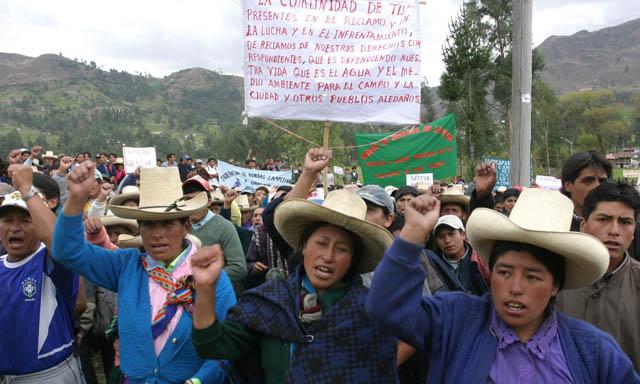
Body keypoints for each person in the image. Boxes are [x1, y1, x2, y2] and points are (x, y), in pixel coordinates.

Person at [367, 188, 639, 383]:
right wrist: (413, 233)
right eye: (505, 272)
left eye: (533, 277)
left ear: (555, 286)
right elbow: (386, 308)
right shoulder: (454, 318)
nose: (515, 287)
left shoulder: (594, 349)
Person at [51, 164, 236, 383]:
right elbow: (67, 251)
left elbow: (227, 346)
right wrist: (75, 199)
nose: (157, 234)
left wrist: (197, 381)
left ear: (186, 226)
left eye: (168, 224)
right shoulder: (127, 266)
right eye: (149, 225)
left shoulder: (212, 278)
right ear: (139, 228)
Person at [191, 188, 399, 383]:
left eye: (342, 249)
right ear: (303, 247)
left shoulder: (370, 313)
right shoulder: (269, 301)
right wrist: (206, 289)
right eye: (321, 243)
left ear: (352, 259)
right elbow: (212, 345)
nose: (328, 256)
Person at [0, 166, 82, 382]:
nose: (14, 228)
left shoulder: (50, 262)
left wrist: (27, 190)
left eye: (26, 220)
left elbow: (62, 243)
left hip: (48, 375)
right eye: (7, 220)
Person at [557, 182, 640, 371]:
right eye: (603, 219)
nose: (614, 231)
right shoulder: (556, 279)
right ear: (583, 225)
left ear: (634, 231)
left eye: (625, 222)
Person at [182, 176, 247, 296]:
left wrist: (205, 279)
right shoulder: (180, 227)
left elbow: (239, 268)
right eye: (188, 199)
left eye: (199, 199)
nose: (194, 204)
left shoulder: (224, 227)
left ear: (209, 201)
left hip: (218, 299)